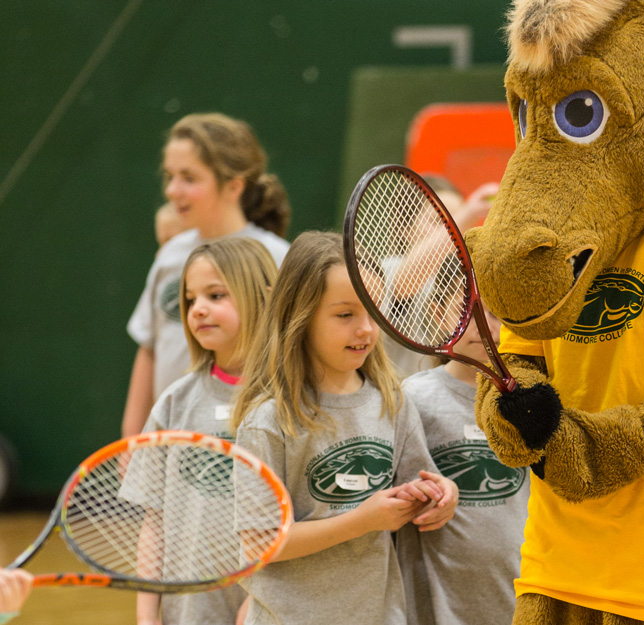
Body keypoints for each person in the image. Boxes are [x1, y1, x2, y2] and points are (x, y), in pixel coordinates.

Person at [230, 231, 458, 625]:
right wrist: (361, 520)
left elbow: (417, 483)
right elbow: (258, 542)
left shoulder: (392, 400)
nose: (366, 329)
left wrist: (440, 495)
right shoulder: (268, 422)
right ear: (299, 317)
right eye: (345, 314)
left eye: (372, 311)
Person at [127, 237, 278, 625]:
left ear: (262, 299)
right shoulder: (174, 402)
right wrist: (147, 616)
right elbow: (153, 522)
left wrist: (260, 600)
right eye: (191, 300)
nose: (198, 310)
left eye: (216, 295)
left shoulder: (291, 403)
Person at [123, 112, 292, 439]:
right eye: (169, 176)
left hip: (247, 442)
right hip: (171, 440)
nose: (172, 190)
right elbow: (149, 347)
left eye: (189, 178)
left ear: (233, 185)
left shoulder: (277, 258)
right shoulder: (171, 256)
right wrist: (133, 436)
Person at [396, 304, 530, 625]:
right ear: (441, 313)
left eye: (499, 313)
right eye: (469, 312)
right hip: (438, 608)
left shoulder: (531, 399)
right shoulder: (413, 396)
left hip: (519, 599)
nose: (484, 327)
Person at [383, 175, 499, 379]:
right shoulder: (389, 268)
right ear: (404, 228)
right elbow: (403, 285)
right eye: (438, 220)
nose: (457, 229)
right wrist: (469, 213)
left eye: (457, 220)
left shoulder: (471, 278)